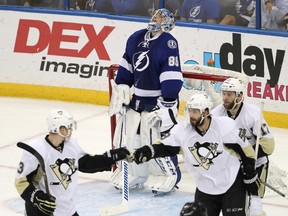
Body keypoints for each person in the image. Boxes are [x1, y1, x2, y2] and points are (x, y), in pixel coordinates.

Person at [133, 92, 261, 216]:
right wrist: (145, 151)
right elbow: (164, 147)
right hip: (205, 188)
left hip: (231, 184)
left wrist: (249, 172)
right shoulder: (183, 131)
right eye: (190, 111)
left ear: (205, 112)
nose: (191, 115)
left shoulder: (224, 127)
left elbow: (246, 150)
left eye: (195, 111)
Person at [108, 8, 183, 193]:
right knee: (130, 137)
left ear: (167, 23)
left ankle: (168, 175)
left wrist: (168, 102)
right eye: (155, 14)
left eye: (161, 16)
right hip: (137, 100)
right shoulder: (136, 37)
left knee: (156, 139)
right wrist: (123, 85)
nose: (155, 17)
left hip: (157, 101)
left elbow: (171, 72)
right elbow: (127, 63)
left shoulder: (168, 42)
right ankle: (136, 173)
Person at [15, 109, 130, 216]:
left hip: (66, 210)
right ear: (61, 129)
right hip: (41, 211)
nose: (71, 130)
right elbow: (21, 182)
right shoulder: (37, 149)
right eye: (69, 127)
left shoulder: (71, 146)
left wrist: (112, 157)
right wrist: (36, 197)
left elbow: (86, 163)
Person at [211, 78, 275, 216]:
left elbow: (268, 145)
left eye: (230, 94)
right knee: (237, 201)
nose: (225, 98)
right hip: (232, 165)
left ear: (239, 96)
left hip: (256, 163)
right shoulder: (217, 114)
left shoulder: (252, 114)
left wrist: (248, 159)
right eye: (224, 93)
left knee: (254, 199)